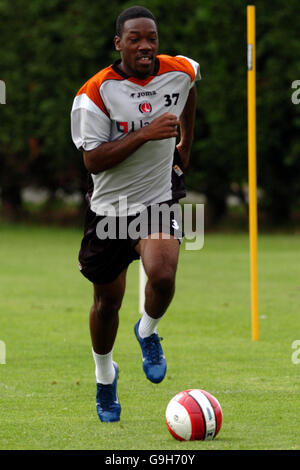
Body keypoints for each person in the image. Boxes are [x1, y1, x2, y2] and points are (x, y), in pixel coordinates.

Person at [71, 5, 200, 423]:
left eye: (152, 39)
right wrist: (146, 133)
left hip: (157, 199)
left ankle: (147, 331)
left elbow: (190, 86)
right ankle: (105, 377)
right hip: (109, 209)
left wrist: (185, 145)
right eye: (135, 39)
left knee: (162, 276)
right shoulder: (95, 93)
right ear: (118, 44)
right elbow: (92, 161)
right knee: (107, 303)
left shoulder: (178, 71)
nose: (146, 46)